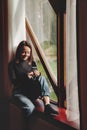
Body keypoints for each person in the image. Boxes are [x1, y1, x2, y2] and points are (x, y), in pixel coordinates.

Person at [8, 40, 58, 119]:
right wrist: (26, 76)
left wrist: (38, 74)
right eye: (24, 52)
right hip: (19, 92)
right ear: (19, 51)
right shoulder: (12, 65)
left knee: (42, 78)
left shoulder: (32, 63)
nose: (26, 55)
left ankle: (47, 106)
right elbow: (14, 82)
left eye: (28, 52)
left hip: (31, 91)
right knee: (29, 108)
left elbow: (37, 78)